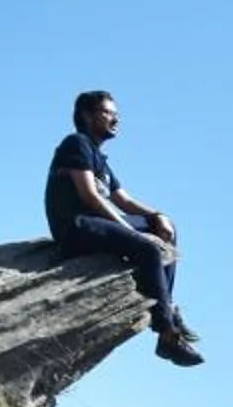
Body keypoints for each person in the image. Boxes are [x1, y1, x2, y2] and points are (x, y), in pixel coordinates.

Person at [46, 90, 203, 366]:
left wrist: (158, 215)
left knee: (165, 230)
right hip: (76, 225)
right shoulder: (76, 144)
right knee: (149, 250)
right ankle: (167, 333)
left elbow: (124, 200)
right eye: (108, 113)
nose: (116, 120)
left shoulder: (100, 159)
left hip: (98, 222)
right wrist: (133, 234)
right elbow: (89, 197)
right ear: (87, 115)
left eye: (116, 115)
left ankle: (168, 305)